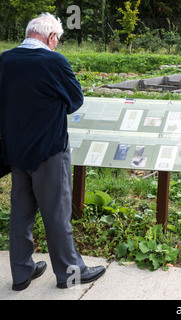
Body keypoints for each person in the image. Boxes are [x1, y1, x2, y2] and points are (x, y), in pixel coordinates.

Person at [0, 13, 105, 291]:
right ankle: (72, 272)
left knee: (21, 212)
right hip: (49, 150)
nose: (56, 44)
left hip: (16, 151)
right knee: (57, 212)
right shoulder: (53, 61)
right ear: (51, 37)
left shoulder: (5, 60)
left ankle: (21, 274)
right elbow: (75, 100)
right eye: (57, 39)